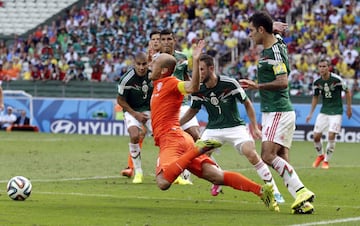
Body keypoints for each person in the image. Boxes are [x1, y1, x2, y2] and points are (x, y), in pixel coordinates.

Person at [149, 40, 278, 211]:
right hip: (180, 138)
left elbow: (193, 86)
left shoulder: (172, 83)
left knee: (163, 182)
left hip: (172, 139)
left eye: (154, 63)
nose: (151, 65)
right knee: (216, 176)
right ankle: (262, 191)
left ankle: (198, 149)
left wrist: (195, 61)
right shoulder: (158, 84)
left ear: (164, 70)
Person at [180, 53, 285, 204]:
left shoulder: (229, 83)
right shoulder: (198, 89)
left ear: (211, 68)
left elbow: (247, 103)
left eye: (201, 69)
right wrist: (178, 124)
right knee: (197, 156)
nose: (198, 73)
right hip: (213, 129)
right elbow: (193, 110)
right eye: (196, 69)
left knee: (251, 153)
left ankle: (274, 190)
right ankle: (217, 178)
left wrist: (254, 127)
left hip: (235, 127)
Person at [239, 11, 315, 214]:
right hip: (276, 111)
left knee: (266, 155)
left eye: (252, 31)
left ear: (262, 30)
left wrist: (257, 86)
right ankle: (302, 202)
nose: (249, 35)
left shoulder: (274, 52)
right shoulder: (275, 43)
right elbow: (277, 33)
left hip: (277, 110)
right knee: (281, 156)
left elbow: (282, 82)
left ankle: (301, 190)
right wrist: (275, 27)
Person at [159, 29, 200, 185]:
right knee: (169, 140)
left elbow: (187, 77)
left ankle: (188, 172)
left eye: (169, 39)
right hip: (164, 106)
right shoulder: (156, 59)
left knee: (196, 135)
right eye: (163, 39)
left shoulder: (182, 58)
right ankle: (170, 170)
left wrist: (194, 88)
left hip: (181, 103)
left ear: (174, 40)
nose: (167, 42)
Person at [305, 58, 352, 169]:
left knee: (331, 135)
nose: (322, 68)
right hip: (324, 111)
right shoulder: (317, 82)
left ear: (328, 67)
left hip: (336, 112)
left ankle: (326, 161)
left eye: (324, 66)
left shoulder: (336, 79)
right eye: (320, 66)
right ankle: (320, 156)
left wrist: (348, 108)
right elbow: (315, 97)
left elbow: (347, 91)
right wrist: (310, 113)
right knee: (316, 136)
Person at [117, 51, 153, 184]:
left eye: (144, 64)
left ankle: (166, 168)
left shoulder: (153, 75)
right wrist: (135, 114)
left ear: (148, 63)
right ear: (134, 64)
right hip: (132, 111)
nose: (142, 67)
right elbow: (120, 100)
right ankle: (138, 171)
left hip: (150, 111)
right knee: (134, 135)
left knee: (162, 138)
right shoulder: (127, 79)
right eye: (139, 64)